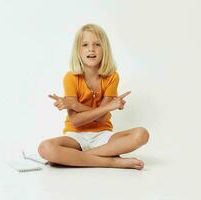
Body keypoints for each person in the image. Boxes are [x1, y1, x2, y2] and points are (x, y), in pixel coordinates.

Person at [38, 23, 149, 170]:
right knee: (45, 148)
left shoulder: (112, 77)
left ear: (105, 49)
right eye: (85, 45)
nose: (91, 49)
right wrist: (108, 107)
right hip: (75, 137)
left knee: (141, 134)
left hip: (103, 136)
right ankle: (111, 162)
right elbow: (76, 121)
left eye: (97, 44)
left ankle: (75, 159)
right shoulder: (70, 77)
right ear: (78, 50)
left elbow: (102, 119)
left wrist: (76, 105)